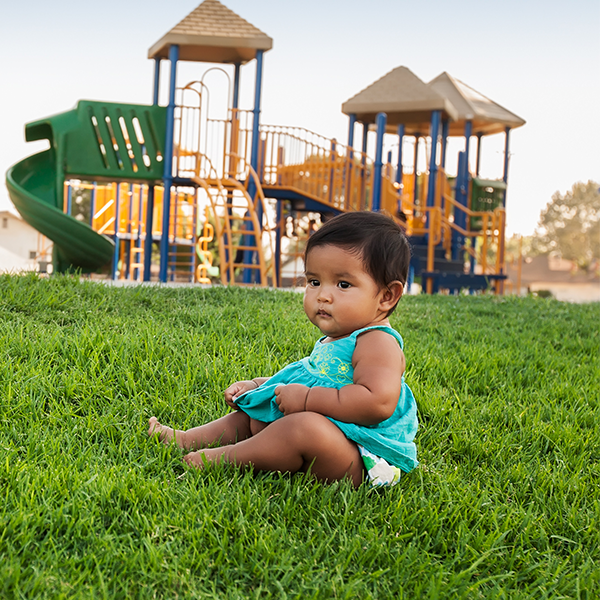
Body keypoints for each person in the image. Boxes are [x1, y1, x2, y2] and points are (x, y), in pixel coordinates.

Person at [149, 211, 418, 488]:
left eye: (343, 284)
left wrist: (306, 400)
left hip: (362, 456)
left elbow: (377, 402)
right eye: (314, 282)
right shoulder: (339, 339)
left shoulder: (378, 342)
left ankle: (219, 458)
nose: (322, 295)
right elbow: (317, 380)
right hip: (337, 436)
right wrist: (261, 386)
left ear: (387, 296)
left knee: (302, 428)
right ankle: (185, 439)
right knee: (257, 411)